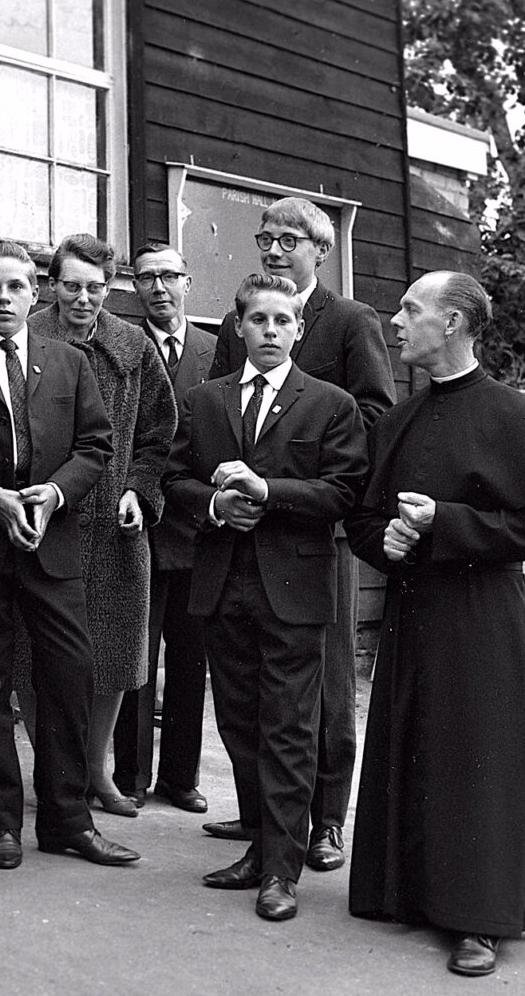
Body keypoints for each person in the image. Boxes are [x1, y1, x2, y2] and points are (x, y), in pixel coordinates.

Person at [345, 271, 525, 976]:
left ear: (455, 323)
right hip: (416, 611)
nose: (397, 321)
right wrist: (383, 539)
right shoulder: (398, 421)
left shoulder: (514, 415)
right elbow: (364, 516)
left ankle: (480, 918)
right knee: (416, 743)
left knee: (480, 757)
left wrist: (444, 522)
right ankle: (411, 890)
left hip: (483, 615)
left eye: (412, 309)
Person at [0, 240, 140, 869]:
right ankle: (2, 823)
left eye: (16, 287)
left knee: (70, 672)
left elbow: (97, 444)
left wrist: (55, 493)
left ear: (35, 293)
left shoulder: (67, 363)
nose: (5, 299)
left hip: (51, 546)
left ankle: (68, 819)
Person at [163, 273, 368, 921]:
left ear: (299, 330)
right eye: (258, 320)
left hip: (294, 588)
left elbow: (342, 493)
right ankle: (258, 845)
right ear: (238, 327)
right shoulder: (203, 401)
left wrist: (265, 491)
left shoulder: (329, 404)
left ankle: (281, 869)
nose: (271, 331)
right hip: (222, 583)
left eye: (283, 321)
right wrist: (218, 504)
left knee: (287, 727)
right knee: (240, 723)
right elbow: (172, 478)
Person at [205, 197, 395, 870]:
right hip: (244, 533)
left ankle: (326, 822)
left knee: (327, 684)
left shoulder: (348, 321)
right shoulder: (242, 320)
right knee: (250, 684)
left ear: (321, 249)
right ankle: (263, 816)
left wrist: (290, 475)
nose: (276, 249)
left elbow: (374, 415)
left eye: (291, 239)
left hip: (320, 530)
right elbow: (220, 412)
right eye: (266, 238)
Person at [23, 234, 177, 819]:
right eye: (71, 286)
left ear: (110, 287)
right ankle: (51, 768)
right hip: (46, 515)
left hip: (116, 521)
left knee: (114, 648)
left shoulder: (133, 346)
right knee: (31, 650)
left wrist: (140, 491)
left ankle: (96, 770)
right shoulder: (30, 336)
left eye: (95, 287)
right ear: (52, 284)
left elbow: (160, 434)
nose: (83, 299)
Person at [112, 242, 216, 813]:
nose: (159, 287)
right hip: (140, 524)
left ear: (187, 281)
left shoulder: (214, 347)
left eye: (169, 276)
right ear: (134, 286)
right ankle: (131, 776)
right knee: (136, 654)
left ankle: (181, 776)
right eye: (147, 278)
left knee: (190, 659)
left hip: (198, 529)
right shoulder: (123, 345)